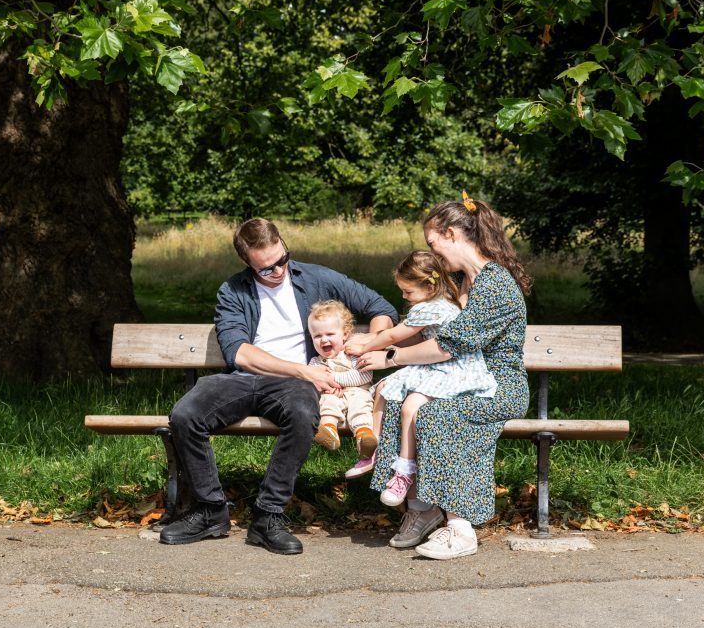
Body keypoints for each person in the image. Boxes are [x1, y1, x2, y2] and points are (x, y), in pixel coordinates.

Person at [161, 219, 398, 554]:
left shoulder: (316, 277)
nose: (278, 270)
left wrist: (368, 342)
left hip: (294, 385)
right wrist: (303, 371)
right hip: (245, 379)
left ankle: (268, 517)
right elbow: (239, 352)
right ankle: (209, 510)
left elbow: (380, 307)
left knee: (303, 414)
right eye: (266, 267)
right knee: (185, 414)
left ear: (284, 244)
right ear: (247, 262)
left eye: (282, 259)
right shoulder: (233, 291)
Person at [354, 196, 531, 559]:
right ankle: (422, 508)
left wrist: (391, 355)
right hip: (459, 379)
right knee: (400, 399)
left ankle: (461, 529)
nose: (433, 255)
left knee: (437, 415)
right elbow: (431, 332)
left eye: (434, 244)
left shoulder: (495, 283)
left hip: (497, 386)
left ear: (451, 234)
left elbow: (450, 345)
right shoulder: (462, 281)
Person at [344, 250, 497, 505]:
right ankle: (373, 445)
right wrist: (372, 340)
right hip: (437, 367)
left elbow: (393, 336)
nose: (404, 297)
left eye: (408, 292)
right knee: (385, 386)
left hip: (451, 370)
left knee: (408, 407)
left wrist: (365, 346)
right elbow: (406, 337)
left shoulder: (430, 308)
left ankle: (403, 470)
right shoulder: (439, 303)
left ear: (429, 286)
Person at [307, 300, 378, 458]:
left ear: (345, 334)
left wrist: (333, 378)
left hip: (357, 391)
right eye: (317, 336)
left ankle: (364, 436)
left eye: (330, 334)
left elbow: (365, 375)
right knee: (327, 401)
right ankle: (328, 430)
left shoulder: (351, 353)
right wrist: (325, 387)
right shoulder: (315, 362)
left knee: (360, 405)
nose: (323, 340)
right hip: (334, 394)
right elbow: (311, 382)